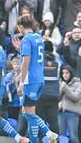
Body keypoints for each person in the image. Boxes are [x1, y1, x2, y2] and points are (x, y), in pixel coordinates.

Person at [16, 15, 59, 143]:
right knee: (27, 112)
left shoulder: (26, 39)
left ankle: (44, 136)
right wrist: (20, 49)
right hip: (40, 79)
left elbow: (26, 62)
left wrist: (21, 83)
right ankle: (48, 134)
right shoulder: (39, 37)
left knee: (29, 114)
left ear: (21, 26)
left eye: (18, 27)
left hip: (31, 80)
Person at [36, 40, 62, 141]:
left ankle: (35, 140)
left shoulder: (39, 61)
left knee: (36, 120)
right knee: (53, 121)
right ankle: (55, 140)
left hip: (40, 95)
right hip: (54, 96)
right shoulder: (59, 62)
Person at [58, 65, 81, 143]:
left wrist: (65, 88)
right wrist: (61, 90)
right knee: (60, 138)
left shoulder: (78, 83)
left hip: (73, 115)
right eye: (63, 73)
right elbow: (56, 99)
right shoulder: (59, 83)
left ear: (71, 73)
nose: (65, 75)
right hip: (60, 113)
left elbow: (75, 98)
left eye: (67, 73)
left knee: (74, 138)